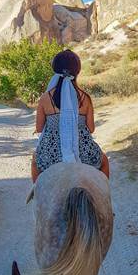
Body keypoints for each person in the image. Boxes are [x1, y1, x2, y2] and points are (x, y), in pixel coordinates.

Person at [31, 49, 110, 183]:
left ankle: (37, 197)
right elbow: (91, 129)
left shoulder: (45, 98)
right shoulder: (85, 98)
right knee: (104, 162)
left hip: (52, 153)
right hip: (82, 151)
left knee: (35, 161)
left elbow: (39, 128)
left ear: (55, 70)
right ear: (77, 71)